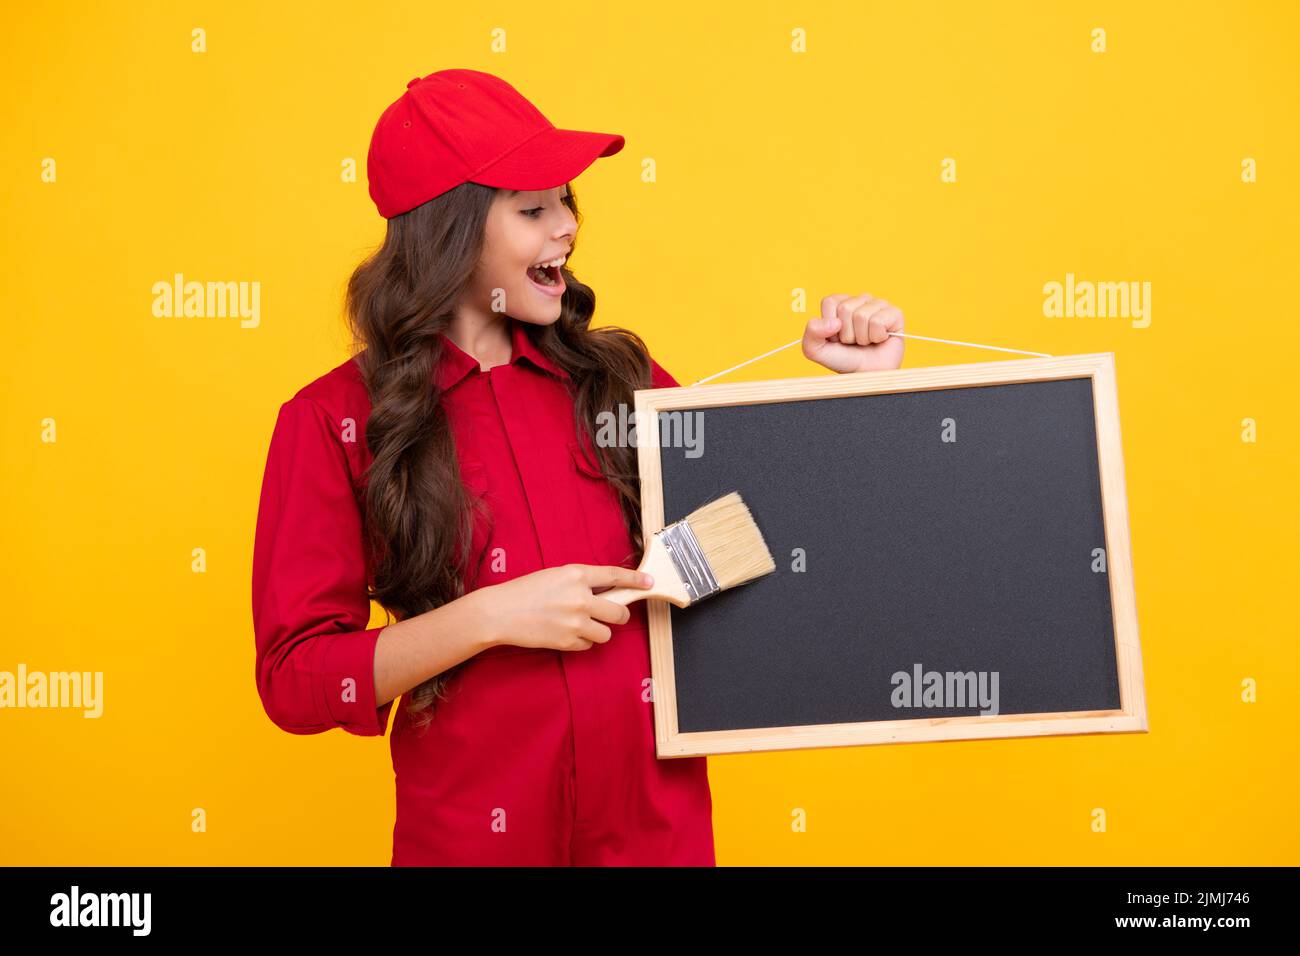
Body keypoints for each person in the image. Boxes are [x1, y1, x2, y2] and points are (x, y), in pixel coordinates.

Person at [250, 67, 906, 866]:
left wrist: (864, 395)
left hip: (655, 841)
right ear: (446, 233)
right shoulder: (329, 421)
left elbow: (756, 543)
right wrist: (489, 618)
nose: (565, 226)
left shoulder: (623, 381)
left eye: (566, 201)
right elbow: (297, 681)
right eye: (532, 209)